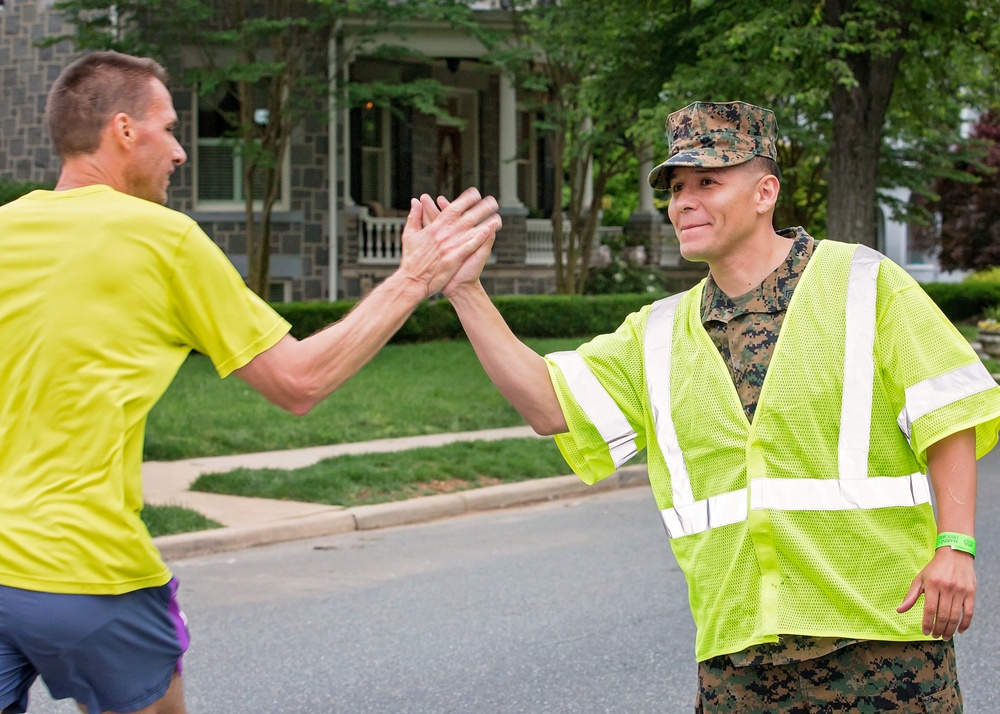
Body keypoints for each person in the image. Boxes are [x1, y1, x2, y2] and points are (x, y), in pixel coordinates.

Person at [437, 100, 1000, 712]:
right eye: (677, 187)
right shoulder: (657, 333)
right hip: (738, 660)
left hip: (881, 648)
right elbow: (550, 406)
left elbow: (950, 411)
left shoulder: (863, 283)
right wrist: (464, 290)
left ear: (765, 192)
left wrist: (956, 545)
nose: (684, 201)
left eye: (708, 181)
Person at [0, 51, 500, 714]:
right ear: (124, 131)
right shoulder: (163, 240)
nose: (181, 152)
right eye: (171, 128)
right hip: (85, 572)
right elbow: (299, 382)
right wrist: (414, 278)